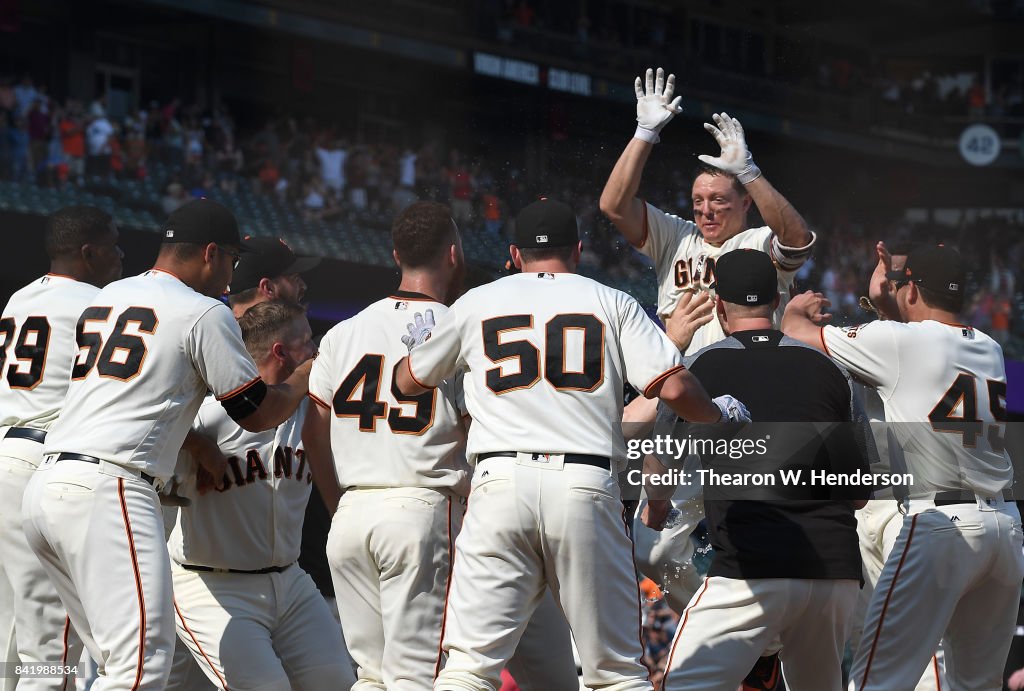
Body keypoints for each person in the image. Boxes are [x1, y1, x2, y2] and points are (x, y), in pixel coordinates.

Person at [393, 198, 749, 691]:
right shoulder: (613, 300)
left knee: (469, 668)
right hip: (584, 485)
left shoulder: (478, 301)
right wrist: (718, 415)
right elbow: (674, 388)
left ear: (515, 254)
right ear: (578, 251)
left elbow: (407, 382)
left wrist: (436, 356)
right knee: (617, 673)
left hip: (499, 484)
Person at [21, 198, 314, 689]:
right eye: (230, 261)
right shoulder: (203, 312)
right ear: (211, 253)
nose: (229, 275)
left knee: (55, 658)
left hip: (45, 484)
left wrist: (196, 441)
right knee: (141, 662)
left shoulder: (108, 294)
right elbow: (258, 412)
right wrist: (305, 376)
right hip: (111, 488)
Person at [305, 201, 579, 690]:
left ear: (395, 254)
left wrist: (336, 503)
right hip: (425, 510)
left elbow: (314, 426)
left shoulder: (343, 332)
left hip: (352, 514)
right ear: (453, 254)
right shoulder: (463, 328)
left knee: (372, 678)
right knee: (420, 678)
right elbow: (484, 425)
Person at [600, 68, 816, 688]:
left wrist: (747, 170)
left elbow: (798, 240)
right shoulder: (677, 237)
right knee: (654, 549)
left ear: (743, 204)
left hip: (743, 409)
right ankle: (758, 649)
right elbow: (615, 206)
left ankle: (760, 648)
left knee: (732, 537)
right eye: (699, 201)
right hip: (679, 407)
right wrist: (644, 132)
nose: (707, 211)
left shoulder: (755, 237)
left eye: (719, 200)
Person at [782, 244, 1023, 690]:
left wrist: (797, 304)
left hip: (939, 525)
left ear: (911, 289)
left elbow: (794, 329)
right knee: (976, 685)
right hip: (1004, 528)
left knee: (878, 681)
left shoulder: (900, 342)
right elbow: (915, 352)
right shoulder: (988, 346)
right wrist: (887, 303)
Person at [645, 249, 870, 690]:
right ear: (777, 303)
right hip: (834, 571)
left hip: (751, 569)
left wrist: (655, 515)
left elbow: (659, 466)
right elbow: (860, 491)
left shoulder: (699, 367)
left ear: (720, 307)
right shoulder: (830, 369)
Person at [166, 300, 355, 690]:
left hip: (291, 581)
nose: (316, 351)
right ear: (280, 353)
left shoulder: (311, 412)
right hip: (212, 586)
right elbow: (148, 427)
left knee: (337, 681)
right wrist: (199, 446)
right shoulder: (210, 411)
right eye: (308, 342)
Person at [0, 206, 123, 691]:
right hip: (40, 461)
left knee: (14, 627)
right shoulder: (99, 303)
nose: (120, 253)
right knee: (52, 637)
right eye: (113, 244)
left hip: (4, 453)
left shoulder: (18, 298)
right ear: (88, 252)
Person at [848, 242, 945, 691]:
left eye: (901, 280)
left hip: (907, 507)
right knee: (868, 641)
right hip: (865, 504)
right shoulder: (881, 342)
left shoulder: (925, 345)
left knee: (921, 645)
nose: (892, 285)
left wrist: (880, 300)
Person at [227, 236, 320, 318]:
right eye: (295, 278)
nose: (304, 286)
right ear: (268, 288)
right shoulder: (291, 336)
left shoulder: (221, 332)